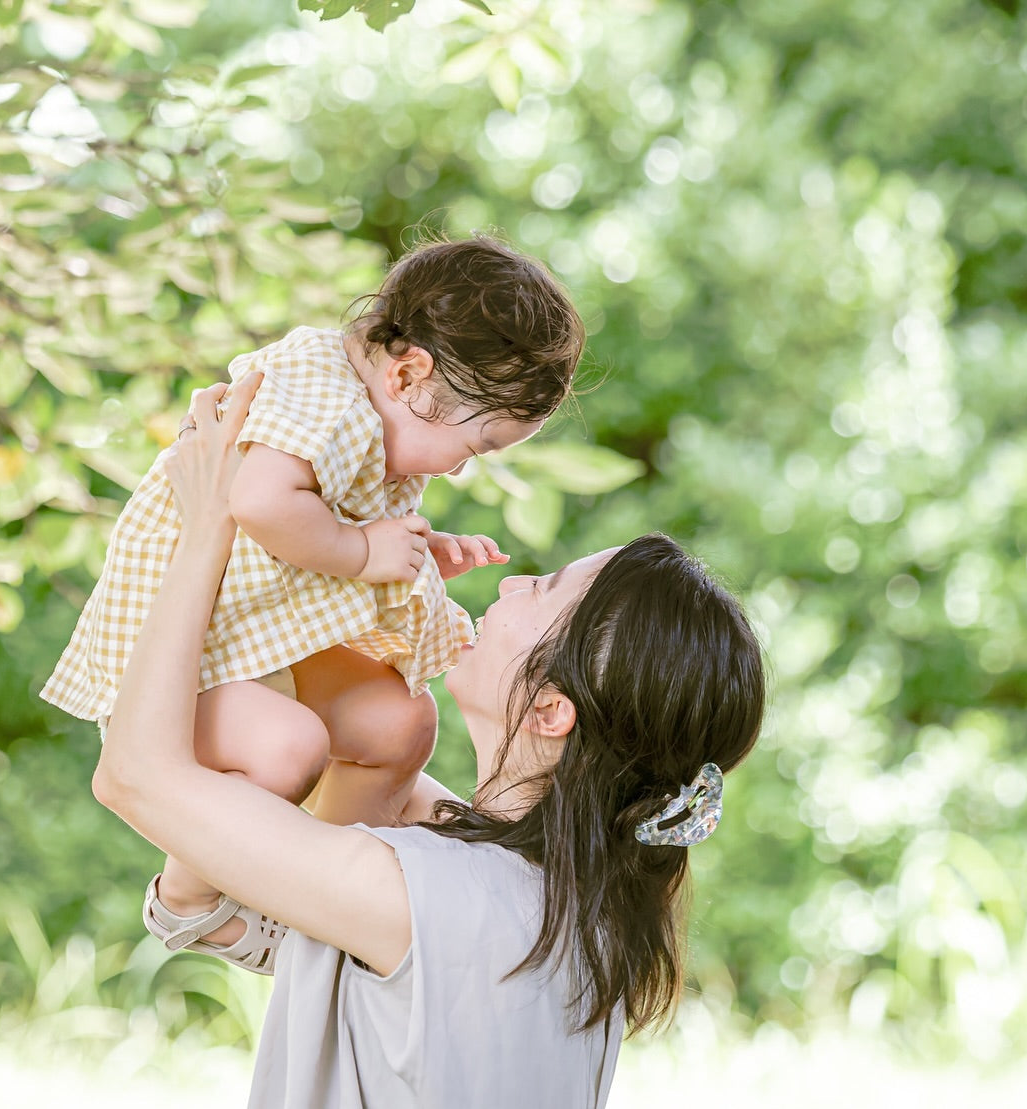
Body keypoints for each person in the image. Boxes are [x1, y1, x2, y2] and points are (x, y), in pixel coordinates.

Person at [92, 378, 768, 1106]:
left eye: (541, 589)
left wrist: (208, 528)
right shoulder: (567, 908)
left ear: (548, 709)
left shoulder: (439, 895)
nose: (509, 589)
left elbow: (134, 775)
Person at [43, 235, 584, 963]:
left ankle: (319, 904)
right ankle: (190, 898)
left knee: (402, 721)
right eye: (478, 445)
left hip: (252, 641)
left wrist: (420, 550)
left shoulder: (378, 414)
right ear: (409, 374)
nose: (460, 467)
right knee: (291, 747)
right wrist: (364, 552)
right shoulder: (322, 393)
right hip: (185, 655)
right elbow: (260, 502)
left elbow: (327, 514)